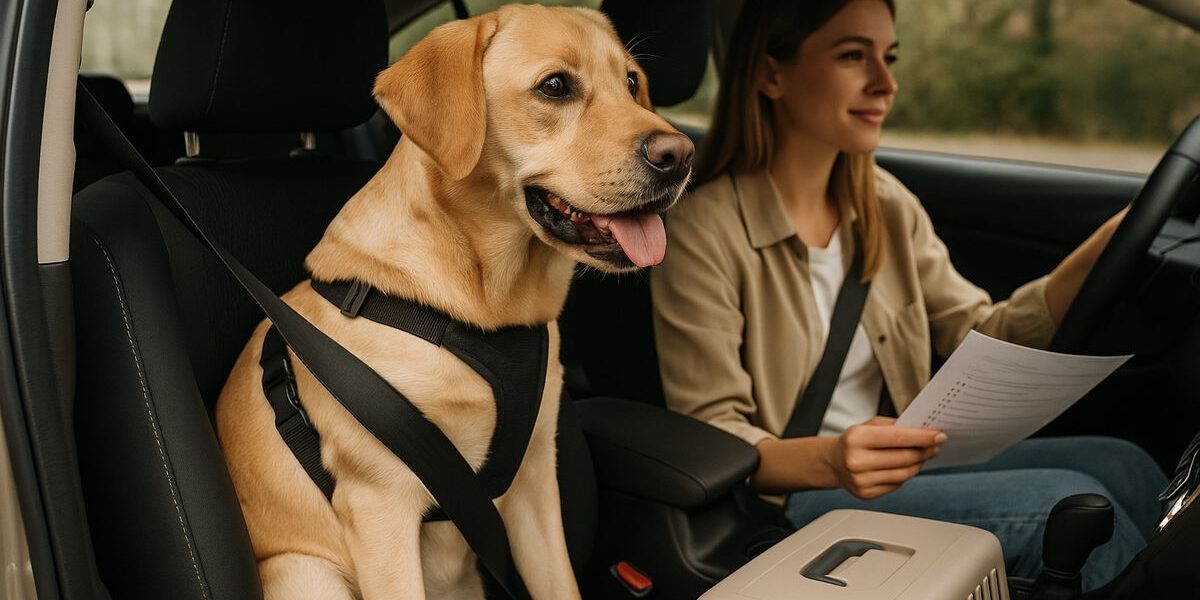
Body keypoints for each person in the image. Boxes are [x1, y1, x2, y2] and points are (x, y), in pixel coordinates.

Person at [650, 0, 1166, 590]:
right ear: (772, 75)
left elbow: (983, 330)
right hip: (800, 494)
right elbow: (715, 432)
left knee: (1127, 464)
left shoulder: (886, 204)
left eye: (890, 57)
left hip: (901, 466)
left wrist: (1111, 240)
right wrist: (832, 460)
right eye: (853, 55)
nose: (886, 83)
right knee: (1072, 500)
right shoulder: (702, 230)